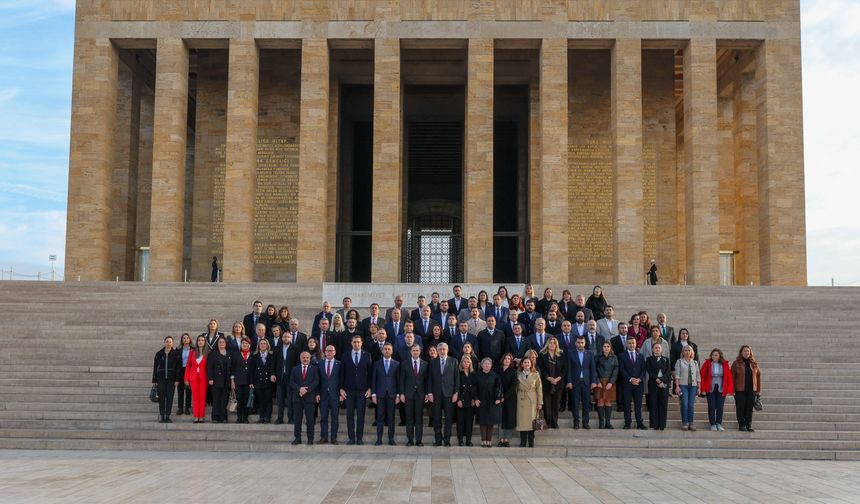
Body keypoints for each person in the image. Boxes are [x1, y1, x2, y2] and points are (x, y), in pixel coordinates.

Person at [341, 335, 372, 445]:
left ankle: (359, 438)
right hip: (348, 390)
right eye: (354, 342)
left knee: (360, 415)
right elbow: (342, 373)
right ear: (351, 343)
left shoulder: (367, 355)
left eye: (358, 342)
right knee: (349, 415)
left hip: (362, 390)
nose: (356, 344)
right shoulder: (345, 355)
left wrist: (370, 388)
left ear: (361, 343)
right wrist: (341, 388)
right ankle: (351, 438)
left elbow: (370, 373)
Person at [429, 342, 460, 447]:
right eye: (440, 349)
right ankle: (438, 440)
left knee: (448, 418)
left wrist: (456, 393)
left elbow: (457, 378)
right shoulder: (433, 362)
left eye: (444, 349)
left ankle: (447, 440)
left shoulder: (454, 361)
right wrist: (430, 393)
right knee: (436, 418)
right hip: (436, 394)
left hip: (449, 394)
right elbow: (430, 379)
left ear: (447, 350)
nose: (442, 351)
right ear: (437, 351)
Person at [400, 344, 429, 446]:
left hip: (420, 395)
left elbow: (427, 381)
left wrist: (427, 393)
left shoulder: (425, 364)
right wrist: (402, 393)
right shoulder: (405, 363)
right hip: (408, 395)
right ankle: (410, 440)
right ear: (410, 352)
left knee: (419, 418)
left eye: (417, 350)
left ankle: (419, 440)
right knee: (409, 418)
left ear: (420, 352)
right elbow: (402, 380)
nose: (415, 352)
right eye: (413, 350)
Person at [371, 342, 400, 446]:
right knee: (379, 418)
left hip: (392, 394)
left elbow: (398, 381)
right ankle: (379, 439)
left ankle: (391, 439)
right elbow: (373, 380)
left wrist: (398, 395)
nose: (387, 350)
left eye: (389, 349)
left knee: (391, 418)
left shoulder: (397, 364)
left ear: (392, 351)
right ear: (382, 351)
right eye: (385, 349)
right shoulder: (377, 363)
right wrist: (373, 394)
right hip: (380, 394)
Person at [566, 336, 597, 429]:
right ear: (576, 343)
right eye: (578, 342)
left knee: (586, 404)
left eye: (582, 342)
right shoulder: (570, 353)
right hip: (575, 382)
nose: (580, 344)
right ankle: (576, 422)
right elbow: (569, 369)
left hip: (586, 382)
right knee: (575, 404)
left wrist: (593, 381)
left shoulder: (590, 353)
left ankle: (585, 422)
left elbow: (592, 368)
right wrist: (569, 381)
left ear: (585, 343)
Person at [700, 348, 734, 432]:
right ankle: (712, 424)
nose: (714, 356)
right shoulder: (707, 363)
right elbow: (702, 376)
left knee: (720, 407)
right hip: (710, 388)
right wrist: (702, 389)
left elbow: (729, 377)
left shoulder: (724, 364)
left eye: (716, 355)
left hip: (721, 388)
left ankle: (719, 423)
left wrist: (729, 390)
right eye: (713, 355)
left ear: (719, 356)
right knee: (712, 406)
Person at [291, 351, 320, 445]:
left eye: (307, 357)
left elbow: (316, 381)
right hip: (297, 397)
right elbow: (291, 382)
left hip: (310, 398)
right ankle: (297, 438)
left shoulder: (314, 369)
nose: (305, 359)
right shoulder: (295, 369)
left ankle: (310, 439)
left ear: (310, 358)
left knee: (310, 420)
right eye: (303, 357)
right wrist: (299, 389)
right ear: (300, 359)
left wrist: (306, 390)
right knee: (297, 420)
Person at [537, 337, 567, 429]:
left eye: (554, 343)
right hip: (546, 382)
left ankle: (555, 422)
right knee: (547, 405)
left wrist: (558, 378)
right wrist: (548, 378)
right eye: (550, 343)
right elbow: (541, 368)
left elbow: (564, 368)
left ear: (556, 345)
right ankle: (548, 422)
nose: (552, 345)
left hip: (558, 383)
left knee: (556, 404)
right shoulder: (542, 355)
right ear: (547, 344)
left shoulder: (561, 354)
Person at [731, 345, 761, 432]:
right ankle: (742, 425)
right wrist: (732, 390)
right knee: (740, 408)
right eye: (744, 351)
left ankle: (748, 425)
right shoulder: (736, 363)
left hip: (752, 390)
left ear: (750, 352)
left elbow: (758, 377)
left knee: (749, 408)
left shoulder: (754, 363)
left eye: (748, 351)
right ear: (741, 352)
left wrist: (758, 390)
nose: (746, 352)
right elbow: (732, 377)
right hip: (740, 390)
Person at [317, 344, 343, 444]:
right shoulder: (320, 364)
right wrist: (317, 393)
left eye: (331, 350)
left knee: (335, 417)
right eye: (327, 350)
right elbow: (317, 380)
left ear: (335, 352)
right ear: (325, 352)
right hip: (323, 395)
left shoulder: (339, 364)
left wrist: (341, 394)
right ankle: (324, 437)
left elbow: (341, 380)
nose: (329, 352)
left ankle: (333, 437)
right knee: (323, 417)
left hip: (335, 395)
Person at [620, 336, 646, 429]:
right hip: (627, 384)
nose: (631, 345)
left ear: (636, 344)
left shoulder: (640, 355)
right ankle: (627, 423)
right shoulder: (622, 355)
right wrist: (630, 379)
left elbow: (643, 369)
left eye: (633, 343)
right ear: (627, 344)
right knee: (627, 404)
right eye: (630, 343)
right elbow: (622, 369)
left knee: (638, 405)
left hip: (638, 384)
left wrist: (639, 379)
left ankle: (640, 423)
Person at [474, 358, 502, 447]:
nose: (487, 365)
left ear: (491, 365)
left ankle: (489, 441)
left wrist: (498, 398)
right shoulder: (477, 375)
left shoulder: (495, 376)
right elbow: (474, 388)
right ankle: (483, 441)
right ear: (482, 365)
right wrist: (476, 398)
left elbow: (499, 387)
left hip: (492, 401)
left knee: (490, 422)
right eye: (485, 364)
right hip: (481, 400)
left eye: (489, 364)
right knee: (482, 421)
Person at [152, 336, 180, 423]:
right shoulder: (159, 354)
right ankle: (162, 416)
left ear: (172, 343)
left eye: (170, 342)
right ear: (164, 343)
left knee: (170, 398)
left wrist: (177, 379)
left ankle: (167, 416)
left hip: (171, 380)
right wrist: (154, 380)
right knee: (161, 398)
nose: (168, 343)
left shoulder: (176, 354)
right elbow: (155, 367)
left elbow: (178, 368)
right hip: (161, 379)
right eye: (167, 341)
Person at [273, 331, 299, 425]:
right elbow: (273, 362)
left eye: (288, 337)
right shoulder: (277, 348)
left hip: (291, 377)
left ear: (290, 338)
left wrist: (296, 376)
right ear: (282, 338)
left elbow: (297, 364)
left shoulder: (295, 348)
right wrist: (272, 374)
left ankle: (290, 418)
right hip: (280, 377)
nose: (286, 338)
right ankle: (280, 418)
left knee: (290, 399)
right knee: (280, 399)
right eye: (284, 337)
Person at [516, 356, 543, 448]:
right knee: (522, 422)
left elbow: (539, 389)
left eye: (528, 362)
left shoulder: (536, 374)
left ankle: (531, 442)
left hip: (532, 399)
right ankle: (523, 442)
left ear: (531, 364)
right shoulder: (518, 374)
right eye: (525, 362)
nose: (526, 364)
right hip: (521, 398)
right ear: (522, 364)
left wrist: (540, 402)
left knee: (532, 422)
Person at [674, 345, 701, 431]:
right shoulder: (679, 362)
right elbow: (677, 375)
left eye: (689, 350)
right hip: (683, 385)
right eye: (685, 350)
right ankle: (685, 423)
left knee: (691, 405)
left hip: (693, 386)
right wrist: (677, 386)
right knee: (684, 404)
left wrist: (699, 387)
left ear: (692, 352)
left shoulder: (695, 362)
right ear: (682, 352)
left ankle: (691, 423)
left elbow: (698, 376)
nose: (687, 352)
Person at [645, 343, 671, 430]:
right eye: (655, 348)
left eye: (659, 348)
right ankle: (655, 424)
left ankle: (662, 425)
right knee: (653, 404)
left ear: (661, 349)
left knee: (663, 404)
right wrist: (656, 379)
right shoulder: (649, 359)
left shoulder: (666, 359)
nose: (657, 349)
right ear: (652, 350)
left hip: (663, 385)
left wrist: (662, 380)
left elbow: (668, 372)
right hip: (653, 384)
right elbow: (649, 370)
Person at [207, 336, 231, 423]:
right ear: (217, 343)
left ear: (226, 343)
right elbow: (209, 367)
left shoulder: (229, 353)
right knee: (216, 399)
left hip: (226, 380)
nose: (221, 343)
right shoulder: (213, 353)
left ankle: (223, 417)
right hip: (216, 380)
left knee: (224, 399)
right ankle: (215, 417)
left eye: (223, 342)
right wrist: (210, 378)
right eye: (220, 342)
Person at [594, 341, 618, 429]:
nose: (606, 348)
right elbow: (594, 370)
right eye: (604, 346)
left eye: (608, 346)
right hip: (600, 382)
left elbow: (616, 370)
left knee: (608, 401)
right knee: (600, 401)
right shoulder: (597, 357)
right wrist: (597, 381)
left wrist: (611, 382)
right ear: (602, 347)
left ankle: (608, 422)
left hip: (610, 382)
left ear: (610, 348)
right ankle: (601, 422)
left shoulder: (614, 357)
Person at [185, 335, 208, 423]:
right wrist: (186, 378)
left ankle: (201, 416)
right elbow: (188, 365)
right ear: (197, 342)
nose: (200, 342)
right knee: (195, 398)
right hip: (193, 377)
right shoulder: (192, 352)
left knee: (202, 398)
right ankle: (196, 416)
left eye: (202, 340)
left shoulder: (208, 352)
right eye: (199, 340)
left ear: (205, 342)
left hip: (203, 377)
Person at [252, 338, 276, 423]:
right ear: (258, 345)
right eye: (261, 344)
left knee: (268, 400)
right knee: (260, 400)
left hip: (268, 382)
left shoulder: (271, 356)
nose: (263, 345)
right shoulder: (255, 356)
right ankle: (261, 417)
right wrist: (252, 382)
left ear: (267, 345)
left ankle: (268, 417)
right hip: (258, 381)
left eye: (264, 344)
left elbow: (273, 368)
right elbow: (252, 370)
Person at [230, 337, 254, 424]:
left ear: (249, 345)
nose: (244, 345)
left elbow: (253, 369)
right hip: (238, 381)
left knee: (247, 399)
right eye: (243, 343)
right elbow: (232, 368)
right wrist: (232, 381)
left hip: (248, 382)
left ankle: (245, 418)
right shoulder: (236, 354)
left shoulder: (253, 354)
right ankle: (239, 418)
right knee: (239, 399)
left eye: (246, 343)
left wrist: (252, 382)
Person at [455, 356, 477, 446]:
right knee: (460, 421)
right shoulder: (458, 374)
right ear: (461, 363)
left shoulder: (473, 374)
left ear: (470, 363)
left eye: (468, 362)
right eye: (464, 362)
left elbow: (475, 388)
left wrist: (474, 399)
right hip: (461, 401)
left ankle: (468, 440)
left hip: (470, 401)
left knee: (469, 422)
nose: (466, 363)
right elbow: (457, 387)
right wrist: (459, 399)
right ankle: (460, 440)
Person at [498, 353, 517, 447]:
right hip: (499, 398)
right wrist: (499, 396)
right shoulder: (498, 370)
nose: (506, 360)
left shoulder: (513, 371)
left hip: (510, 398)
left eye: (509, 359)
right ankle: (501, 439)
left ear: (511, 361)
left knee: (509, 418)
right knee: (501, 419)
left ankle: (506, 440)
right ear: (502, 360)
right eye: (505, 358)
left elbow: (513, 386)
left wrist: (504, 397)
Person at [175, 333, 192, 416]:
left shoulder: (193, 349)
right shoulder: (178, 350)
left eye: (187, 338)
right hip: (181, 370)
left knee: (188, 390)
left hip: (189, 370)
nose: (185, 339)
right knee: (180, 390)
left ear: (189, 339)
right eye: (184, 338)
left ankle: (187, 407)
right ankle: (180, 408)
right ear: (182, 340)